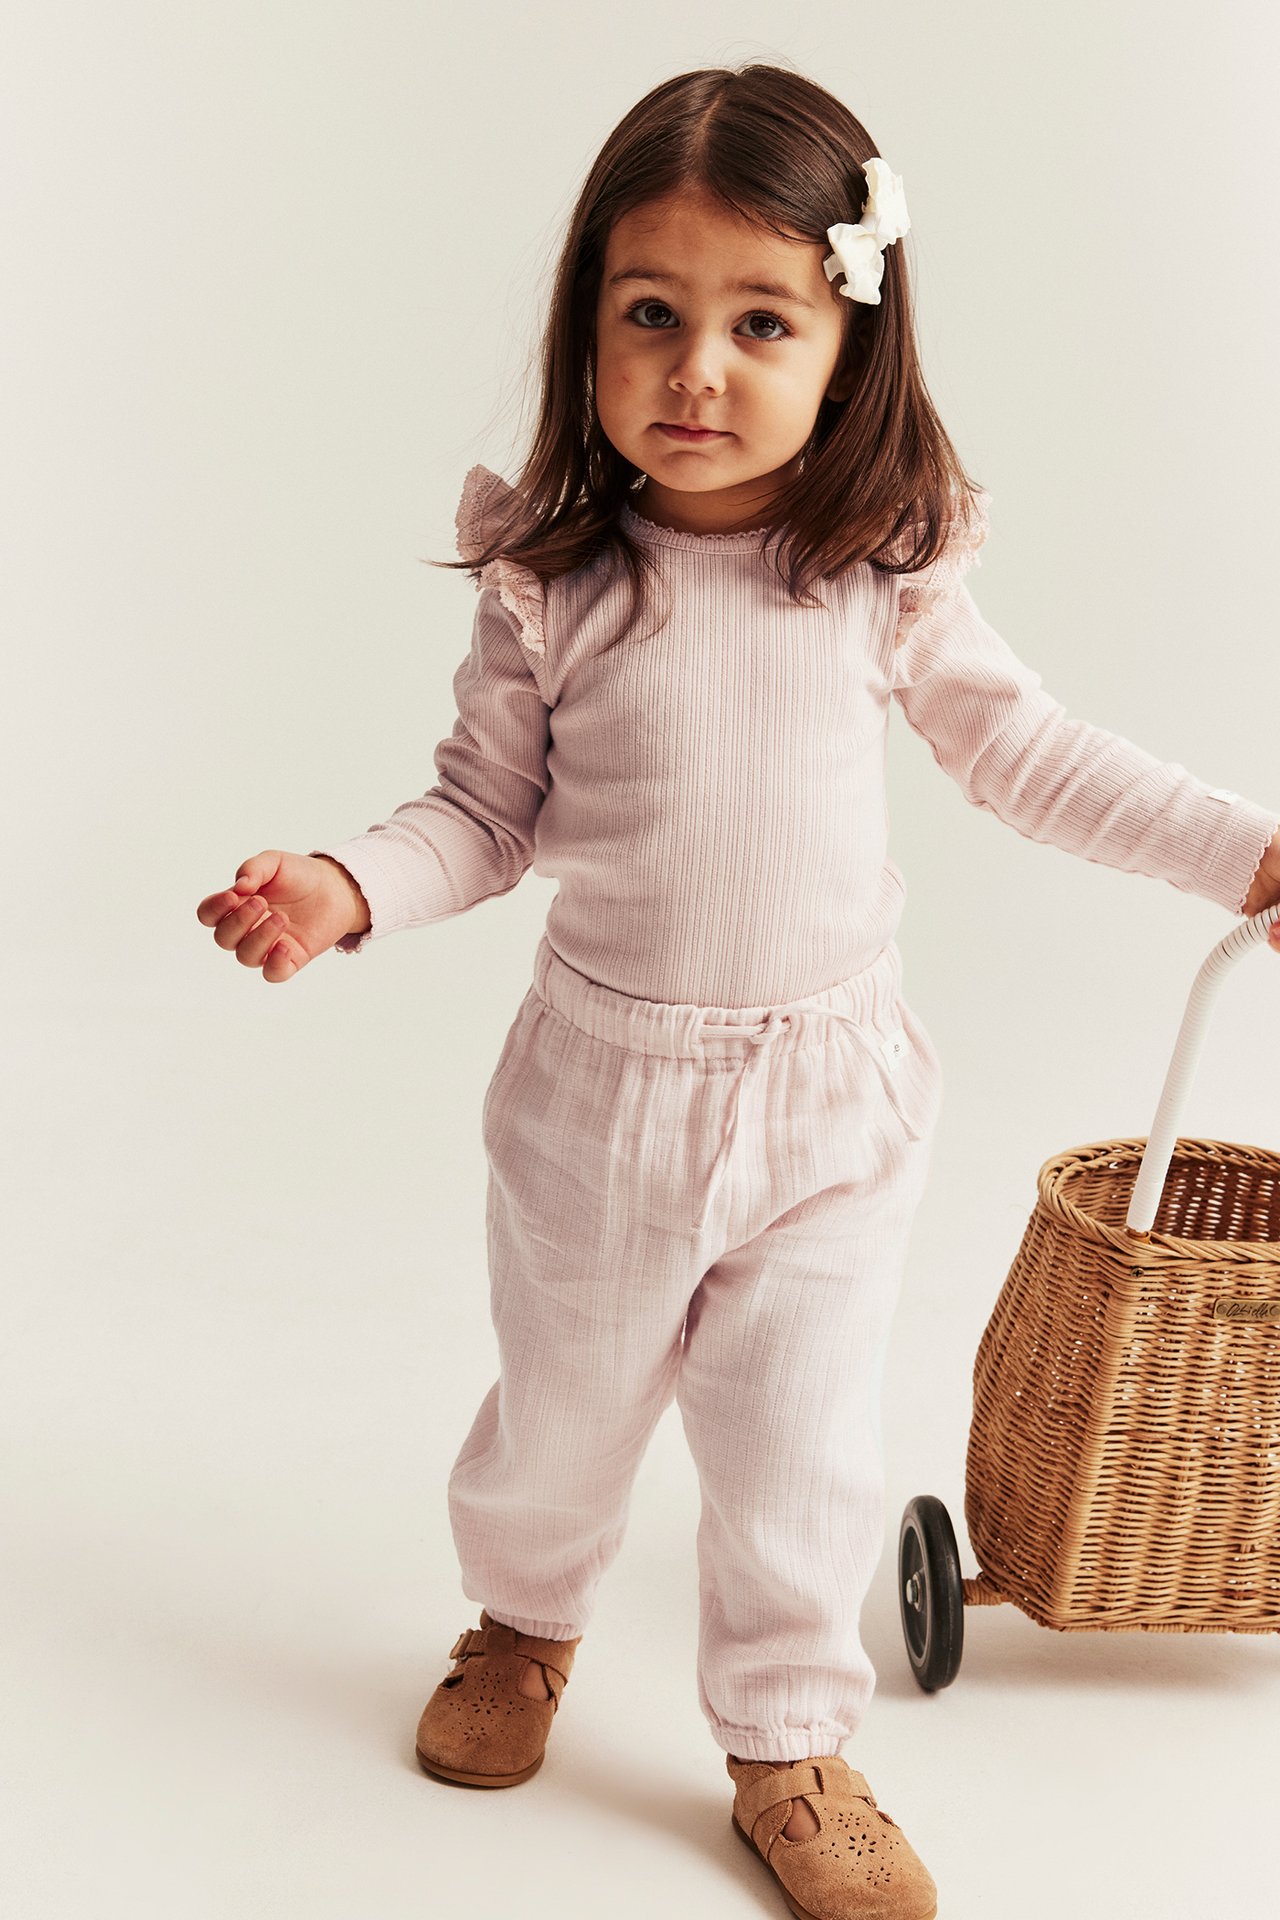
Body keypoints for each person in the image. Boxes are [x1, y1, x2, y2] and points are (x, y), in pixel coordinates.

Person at [195, 62, 1280, 1920]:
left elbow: (1034, 759)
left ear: (851, 341)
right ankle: (523, 1624)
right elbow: (479, 813)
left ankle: (788, 1740)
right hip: (595, 1094)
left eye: (758, 320)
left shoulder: (877, 573)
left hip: (831, 1095)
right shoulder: (558, 580)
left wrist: (1243, 852)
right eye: (652, 316)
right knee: (563, 1413)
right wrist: (348, 886)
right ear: (588, 332)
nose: (698, 370)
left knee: (801, 1443)